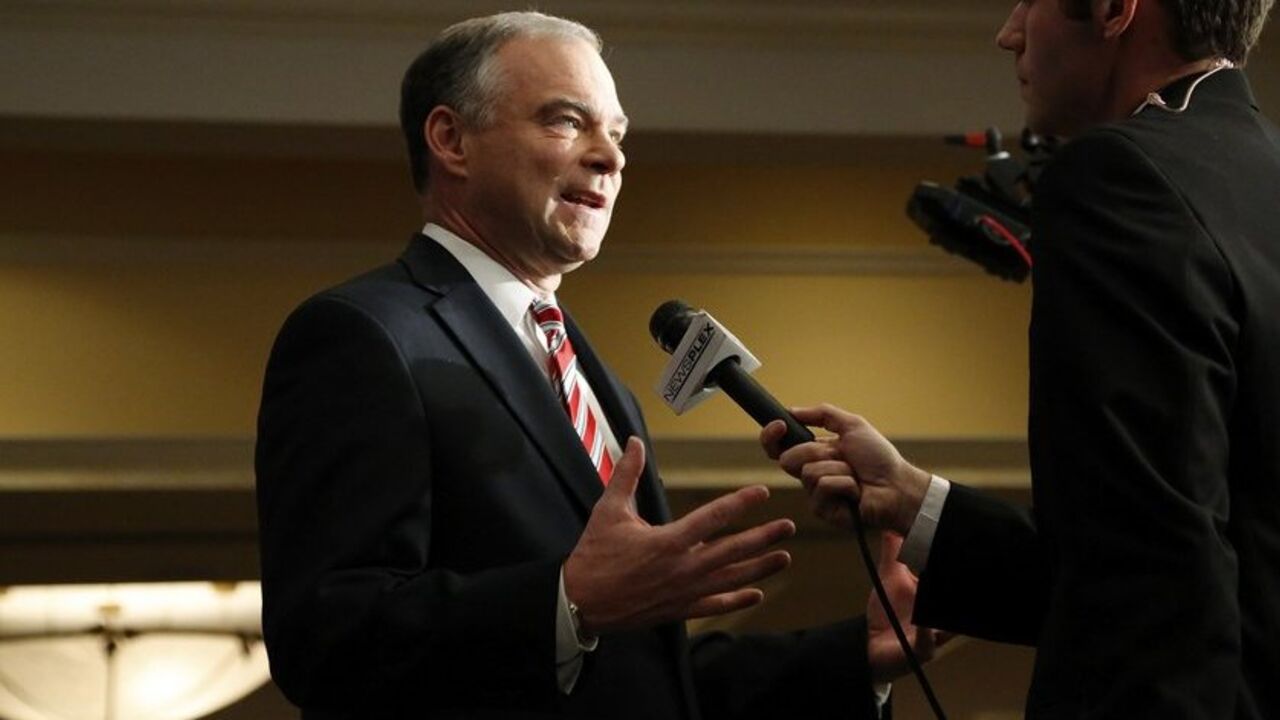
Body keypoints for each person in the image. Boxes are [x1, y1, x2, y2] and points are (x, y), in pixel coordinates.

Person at [256, 11, 933, 719]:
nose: (610, 157)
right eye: (566, 122)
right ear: (451, 139)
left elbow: (642, 681)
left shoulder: (595, 380)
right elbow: (328, 639)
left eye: (617, 134)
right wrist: (567, 599)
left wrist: (856, 659)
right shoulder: (364, 335)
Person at [765, 0, 1280, 718]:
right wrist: (916, 503)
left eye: (1028, 2)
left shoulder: (1120, 177)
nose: (1008, 33)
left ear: (1112, 10)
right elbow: (1186, 553)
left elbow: (1151, 582)